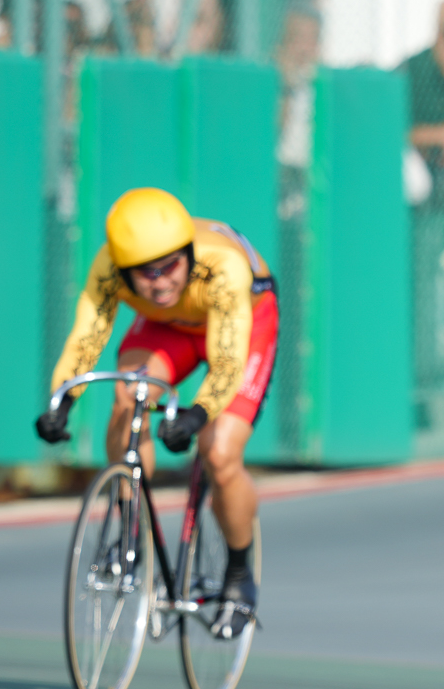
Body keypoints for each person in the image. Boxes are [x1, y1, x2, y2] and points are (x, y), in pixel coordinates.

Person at [37, 188, 278, 637]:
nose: (161, 282)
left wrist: (197, 414)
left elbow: (227, 361)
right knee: (129, 396)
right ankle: (130, 531)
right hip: (169, 328)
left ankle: (241, 573)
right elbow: (87, 338)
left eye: (170, 266)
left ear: (189, 253)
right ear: (123, 271)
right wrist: (62, 399)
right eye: (145, 275)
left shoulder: (220, 268)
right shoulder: (107, 269)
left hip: (244, 324)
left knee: (220, 452)